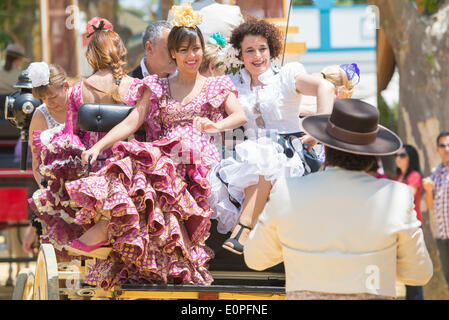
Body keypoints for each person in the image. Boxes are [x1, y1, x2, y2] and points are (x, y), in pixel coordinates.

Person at [63, 3, 247, 290]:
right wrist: (99, 146)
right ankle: (113, 227)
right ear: (173, 53)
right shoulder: (157, 85)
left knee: (154, 161)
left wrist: (216, 126)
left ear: (203, 49)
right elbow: (132, 122)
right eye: (184, 50)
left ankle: (106, 229)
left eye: (196, 48)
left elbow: (240, 115)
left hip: (198, 159)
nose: (192, 55)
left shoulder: (217, 85)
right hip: (164, 158)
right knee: (140, 162)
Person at [244, 98, 433, 299]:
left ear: (325, 147)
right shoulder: (397, 196)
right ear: (373, 154)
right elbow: (419, 273)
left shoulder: (287, 191)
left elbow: (256, 259)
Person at [207, 18, 335, 254]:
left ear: (272, 50)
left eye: (262, 49)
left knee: (265, 153)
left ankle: (243, 228)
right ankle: (246, 230)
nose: (257, 56)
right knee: (252, 156)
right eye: (250, 50)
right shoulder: (234, 84)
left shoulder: (287, 76)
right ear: (240, 55)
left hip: (293, 153)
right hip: (248, 156)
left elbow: (325, 88)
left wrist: (320, 127)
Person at [27, 17, 145, 257]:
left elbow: (71, 136)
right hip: (128, 171)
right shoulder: (136, 87)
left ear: (91, 57)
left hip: (90, 171)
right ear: (120, 52)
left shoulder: (78, 91)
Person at [21, 62, 70, 254]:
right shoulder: (41, 115)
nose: (49, 102)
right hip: (54, 181)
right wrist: (46, 186)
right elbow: (36, 160)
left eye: (53, 97)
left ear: (66, 86)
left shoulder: (80, 104)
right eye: (44, 98)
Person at [393, 144, 424, 300]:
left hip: (412, 231)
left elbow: (405, 199)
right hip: (399, 230)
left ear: (411, 158)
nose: (398, 158)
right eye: (396, 155)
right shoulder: (397, 177)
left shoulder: (414, 176)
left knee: (414, 279)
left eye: (402, 155)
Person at [423, 131, 449, 290]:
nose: (447, 148)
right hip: (442, 236)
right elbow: (431, 206)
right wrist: (427, 190)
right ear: (436, 149)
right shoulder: (435, 173)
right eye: (443, 145)